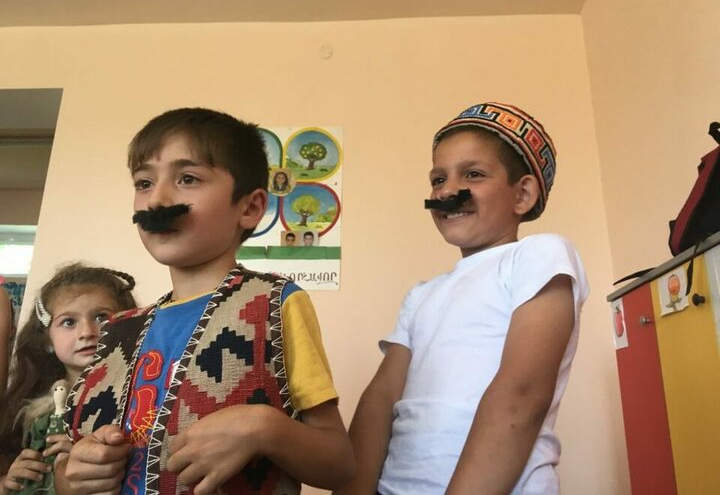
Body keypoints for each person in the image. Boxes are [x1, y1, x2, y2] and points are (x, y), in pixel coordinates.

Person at [59, 108, 353, 495]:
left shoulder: (274, 304)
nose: (157, 199)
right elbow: (69, 466)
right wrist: (74, 474)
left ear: (250, 208)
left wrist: (264, 427)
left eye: (187, 178)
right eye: (144, 183)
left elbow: (341, 465)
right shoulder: (116, 330)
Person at [339, 102, 589, 494]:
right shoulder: (421, 295)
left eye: (473, 174)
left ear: (522, 194)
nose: (447, 191)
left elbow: (521, 395)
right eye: (438, 179)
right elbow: (380, 398)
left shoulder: (540, 255)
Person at [0, 263, 137, 495]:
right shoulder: (27, 407)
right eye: (69, 322)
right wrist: (8, 481)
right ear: (46, 339)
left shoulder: (142, 392)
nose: (87, 332)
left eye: (101, 317)